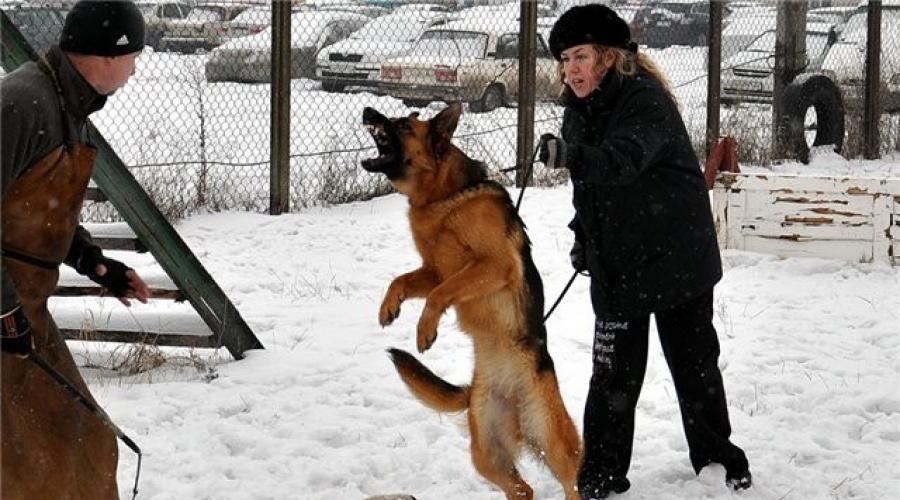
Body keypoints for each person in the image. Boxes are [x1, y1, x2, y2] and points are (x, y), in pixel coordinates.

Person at [538, 4, 752, 499]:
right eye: (565, 59)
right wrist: (582, 240)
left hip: (677, 255)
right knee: (612, 373)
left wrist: (572, 156)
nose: (571, 69)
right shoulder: (577, 113)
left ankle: (720, 462)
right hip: (622, 263)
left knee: (694, 365)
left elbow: (622, 162)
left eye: (581, 57)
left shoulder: (644, 101)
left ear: (608, 59)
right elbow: (588, 192)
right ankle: (600, 476)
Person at [1, 1, 150, 497]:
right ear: (109, 55)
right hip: (7, 311)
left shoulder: (66, 103)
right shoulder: (24, 103)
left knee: (80, 439)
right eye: (135, 56)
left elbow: (36, 209)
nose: (135, 69)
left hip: (24, 311)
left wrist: (93, 261)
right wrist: (3, 311)